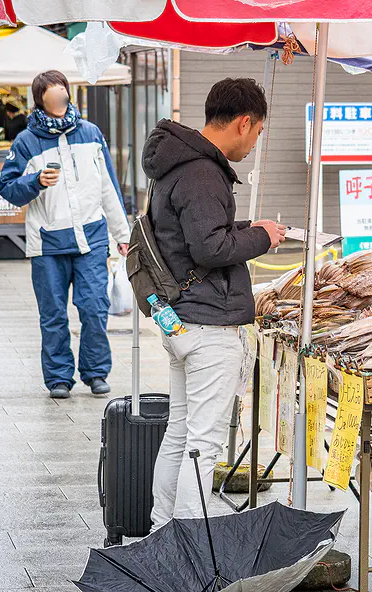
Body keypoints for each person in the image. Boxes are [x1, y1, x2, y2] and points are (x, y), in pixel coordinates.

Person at [142, 78, 285, 527]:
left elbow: (193, 233)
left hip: (182, 320)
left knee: (180, 434)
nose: (255, 142)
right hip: (207, 326)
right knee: (202, 443)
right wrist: (261, 237)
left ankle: (163, 529)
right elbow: (210, 249)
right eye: (258, 131)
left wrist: (245, 226)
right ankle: (189, 540)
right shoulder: (203, 171)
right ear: (244, 123)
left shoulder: (176, 162)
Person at [0, 70, 131, 399]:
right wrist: (35, 182)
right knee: (54, 314)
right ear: (40, 102)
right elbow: (7, 189)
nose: (59, 103)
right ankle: (58, 377)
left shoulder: (91, 134)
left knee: (94, 307)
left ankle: (96, 372)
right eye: (52, 98)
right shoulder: (26, 142)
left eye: (63, 96)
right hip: (48, 243)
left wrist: (122, 233)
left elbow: (108, 188)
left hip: (92, 237)